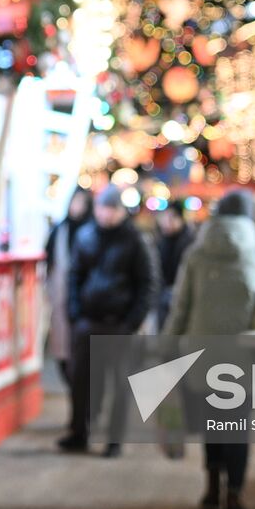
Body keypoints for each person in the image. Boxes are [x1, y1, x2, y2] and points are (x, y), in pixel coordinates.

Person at [163, 188, 255, 509]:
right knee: (236, 426)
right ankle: (234, 494)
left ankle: (211, 488)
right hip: (243, 359)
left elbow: (180, 306)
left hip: (199, 355)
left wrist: (165, 346)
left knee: (211, 425)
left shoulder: (195, 254)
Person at [63, 183, 157, 458]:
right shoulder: (86, 236)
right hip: (88, 321)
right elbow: (74, 276)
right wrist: (75, 313)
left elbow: (147, 283)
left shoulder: (135, 240)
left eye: (112, 209)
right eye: (103, 208)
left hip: (119, 324)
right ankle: (79, 432)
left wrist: (132, 321)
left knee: (120, 383)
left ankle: (114, 440)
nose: (106, 214)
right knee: (81, 381)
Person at [45, 187, 93, 386]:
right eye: (75, 201)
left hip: (86, 303)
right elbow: (49, 262)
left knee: (83, 354)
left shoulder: (92, 231)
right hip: (61, 298)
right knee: (62, 351)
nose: (77, 206)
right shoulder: (60, 230)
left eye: (82, 202)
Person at [154, 201, 196, 329]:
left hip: (179, 296)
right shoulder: (160, 240)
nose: (167, 221)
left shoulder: (190, 242)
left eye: (172, 217)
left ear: (181, 219)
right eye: (164, 217)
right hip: (161, 296)